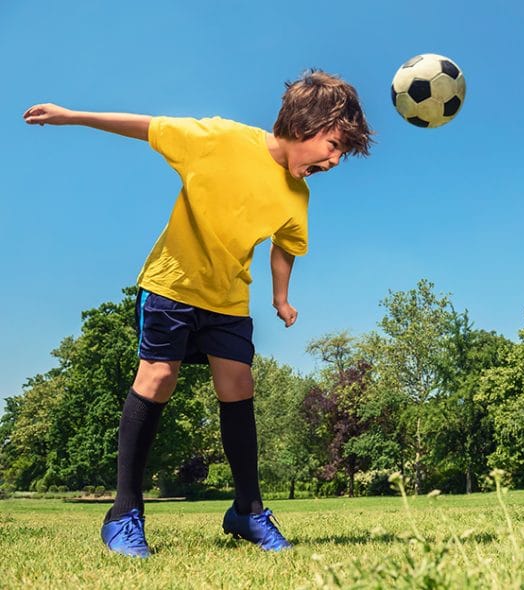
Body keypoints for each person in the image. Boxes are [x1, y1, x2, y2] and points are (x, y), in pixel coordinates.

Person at [23, 69, 372, 557]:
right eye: (333, 145)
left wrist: (280, 298)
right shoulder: (219, 139)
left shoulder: (298, 195)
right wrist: (72, 116)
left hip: (227, 299)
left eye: (341, 154)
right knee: (158, 377)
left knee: (239, 385)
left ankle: (248, 512)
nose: (335, 160)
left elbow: (285, 246)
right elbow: (146, 126)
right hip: (172, 285)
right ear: (303, 124)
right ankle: (123, 513)